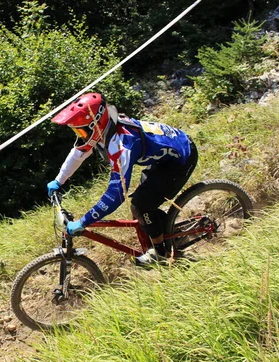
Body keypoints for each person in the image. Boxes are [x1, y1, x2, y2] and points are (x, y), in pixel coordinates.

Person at [46, 92, 198, 266]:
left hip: (181, 158)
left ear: (96, 124)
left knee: (141, 205)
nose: (80, 135)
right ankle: (167, 233)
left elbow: (116, 194)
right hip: (163, 157)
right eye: (76, 130)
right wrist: (59, 180)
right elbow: (79, 153)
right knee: (144, 203)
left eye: (81, 130)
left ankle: (161, 253)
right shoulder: (104, 129)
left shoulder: (122, 145)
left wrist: (84, 221)